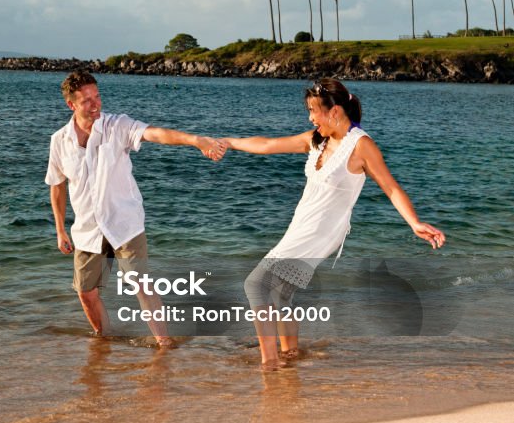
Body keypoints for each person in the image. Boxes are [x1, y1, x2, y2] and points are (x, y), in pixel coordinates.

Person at [219, 79, 446, 370]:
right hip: (303, 223)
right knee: (279, 292)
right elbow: (267, 145)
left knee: (256, 284)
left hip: (321, 230)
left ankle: (270, 363)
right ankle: (290, 356)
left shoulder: (361, 145)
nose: (310, 117)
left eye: (314, 111)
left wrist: (414, 222)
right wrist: (227, 142)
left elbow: (390, 187)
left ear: (335, 111)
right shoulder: (318, 139)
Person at [46, 70, 222, 347]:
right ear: (71, 105)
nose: (96, 104)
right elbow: (57, 185)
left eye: (97, 96)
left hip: (124, 223)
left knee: (142, 285)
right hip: (87, 230)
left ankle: (164, 343)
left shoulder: (118, 126)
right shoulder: (60, 140)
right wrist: (59, 230)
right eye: (87, 101)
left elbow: (156, 134)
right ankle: (104, 340)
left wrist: (195, 140)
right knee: (86, 292)